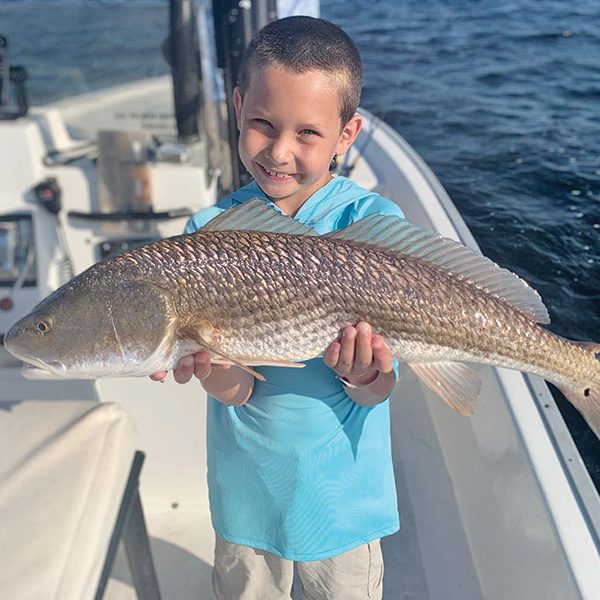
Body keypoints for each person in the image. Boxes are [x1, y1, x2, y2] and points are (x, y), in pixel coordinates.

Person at [151, 15, 404, 600]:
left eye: (308, 134)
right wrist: (212, 369)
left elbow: (378, 390)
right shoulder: (207, 235)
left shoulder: (371, 227)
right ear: (237, 106)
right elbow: (240, 390)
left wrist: (365, 373)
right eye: (263, 123)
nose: (280, 152)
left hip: (343, 512)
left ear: (347, 134)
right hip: (247, 505)